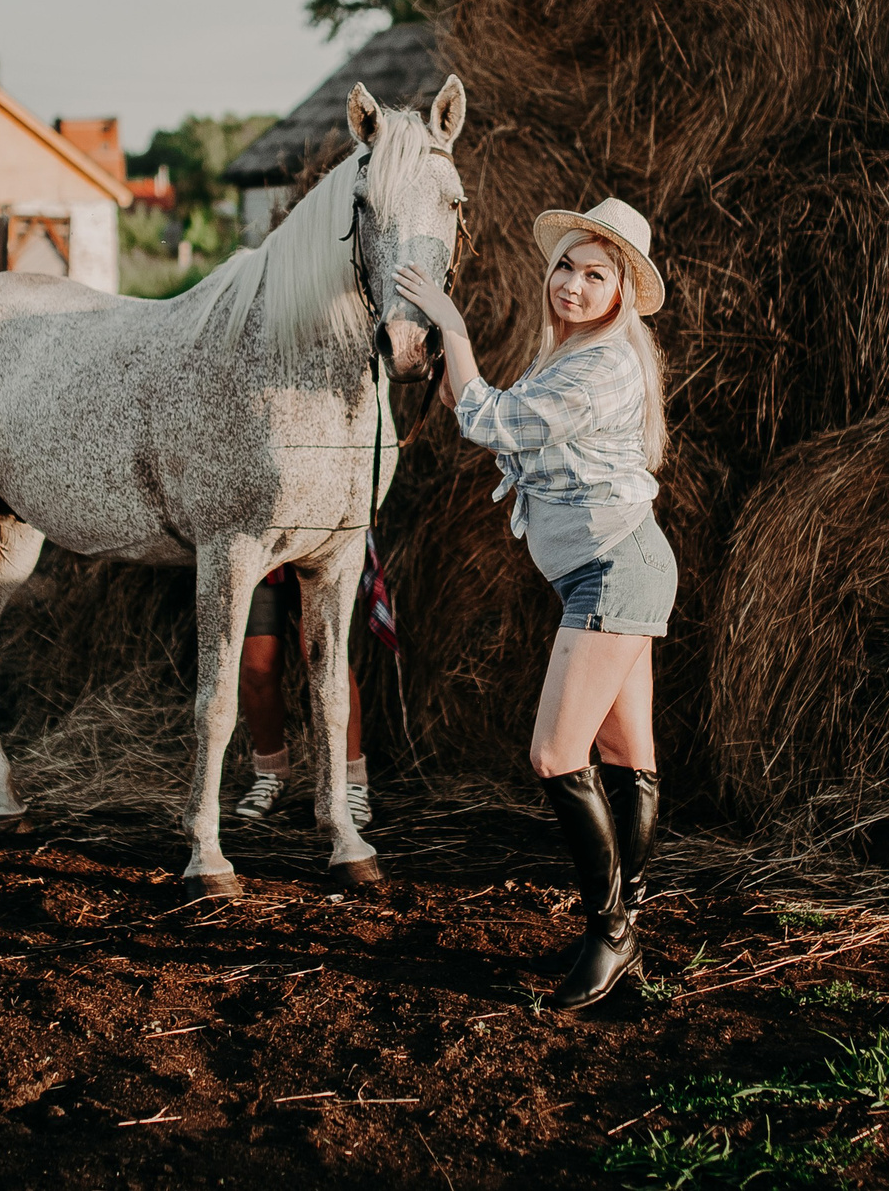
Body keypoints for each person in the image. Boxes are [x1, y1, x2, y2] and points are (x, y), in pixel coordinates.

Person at [394, 197, 672, 1012]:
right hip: (614, 564)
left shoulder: (605, 366)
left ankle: (611, 934)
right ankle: (625, 929)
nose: (573, 286)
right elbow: (490, 414)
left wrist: (454, 327)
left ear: (622, 292)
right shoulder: (574, 354)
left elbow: (494, 422)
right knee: (627, 755)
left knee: (554, 755)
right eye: (565, 268)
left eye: (596, 276)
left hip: (615, 569)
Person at [230, 564, 373, 828]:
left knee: (323, 656)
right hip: (264, 556)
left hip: (323, 550)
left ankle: (352, 781)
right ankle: (271, 774)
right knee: (257, 664)